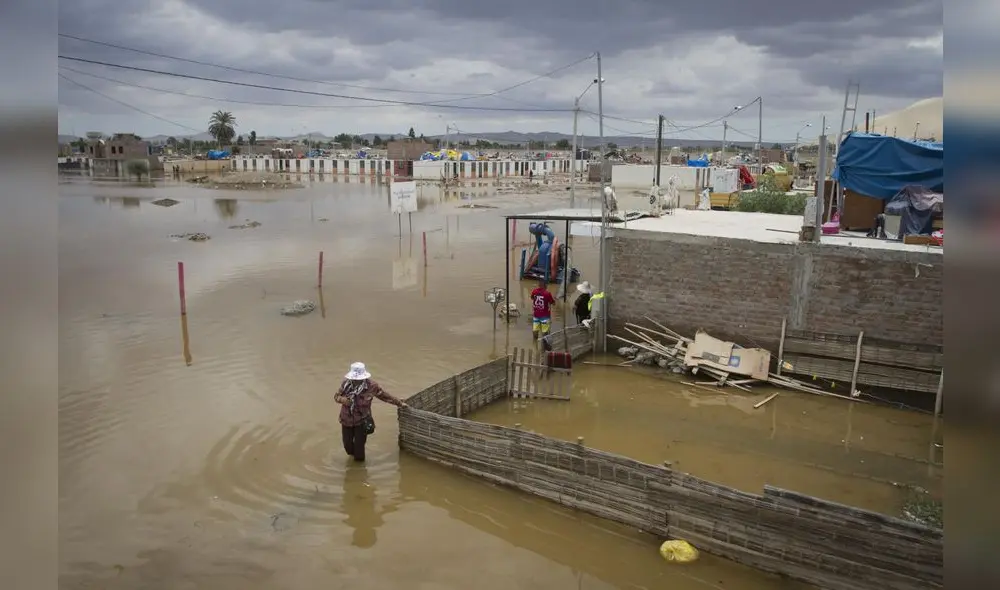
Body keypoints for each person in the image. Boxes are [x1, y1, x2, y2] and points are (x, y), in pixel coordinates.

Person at [334, 362, 407, 462]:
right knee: (348, 447)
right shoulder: (345, 384)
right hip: (346, 419)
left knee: (359, 451)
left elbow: (384, 396)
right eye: (354, 379)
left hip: (362, 420)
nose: (356, 381)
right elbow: (336, 397)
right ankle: (353, 458)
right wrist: (343, 400)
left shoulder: (372, 386)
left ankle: (359, 467)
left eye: (358, 379)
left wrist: (399, 402)